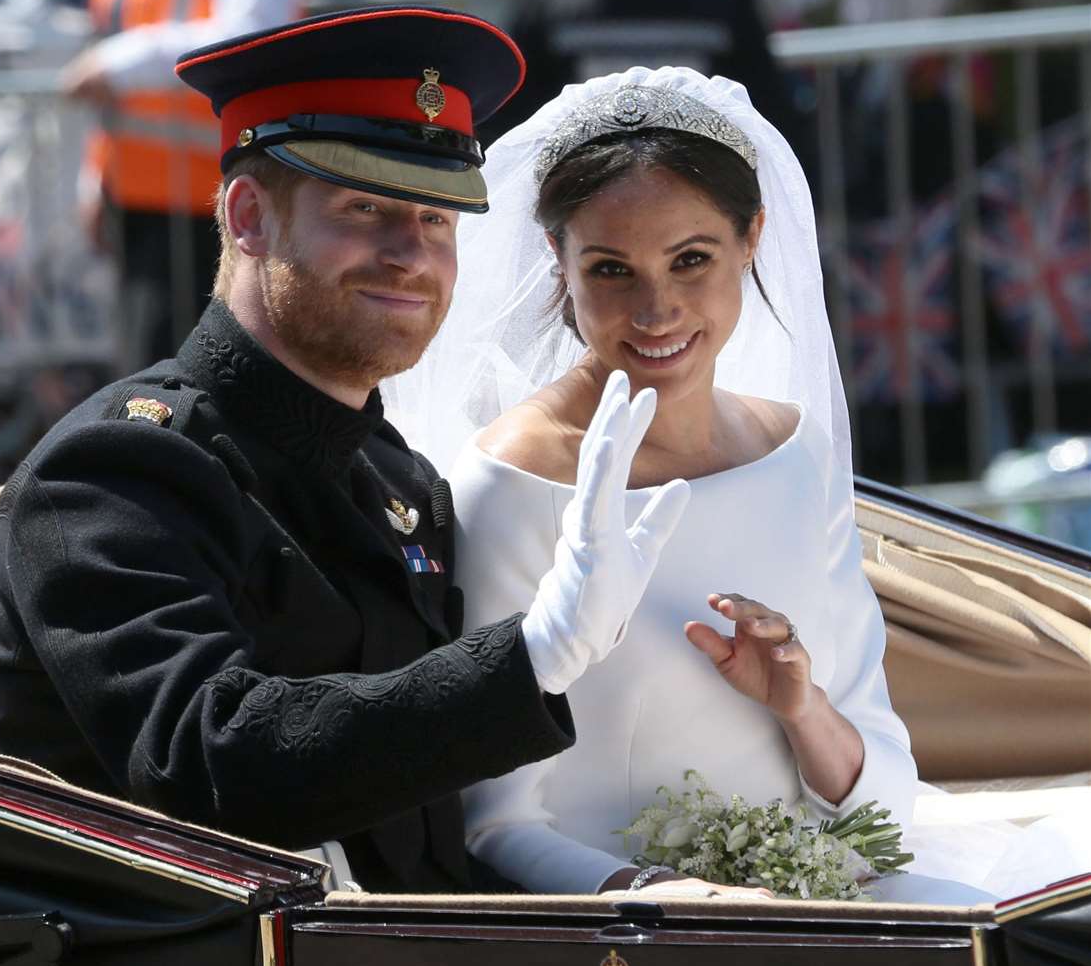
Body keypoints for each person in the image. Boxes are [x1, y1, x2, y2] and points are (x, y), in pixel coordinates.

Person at [0, 9, 691, 894]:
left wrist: (624, 887)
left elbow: (431, 826)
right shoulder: (118, 472)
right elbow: (209, 763)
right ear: (247, 216)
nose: (410, 255)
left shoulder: (397, 478)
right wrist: (532, 654)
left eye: (437, 219)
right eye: (364, 208)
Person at [383, 67, 1068, 904]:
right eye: (610, 270)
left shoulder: (794, 451)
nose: (656, 309)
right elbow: (493, 821)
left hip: (822, 893)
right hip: (625, 938)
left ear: (752, 239)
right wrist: (669, 899)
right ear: (558, 264)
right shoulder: (511, 480)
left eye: (690, 259)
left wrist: (800, 707)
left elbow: (882, 796)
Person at [61, 0, 304, 370]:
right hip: (137, 203)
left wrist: (120, 62)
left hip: (217, 209)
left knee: (204, 377)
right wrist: (94, 180)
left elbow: (252, 36)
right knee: (145, 374)